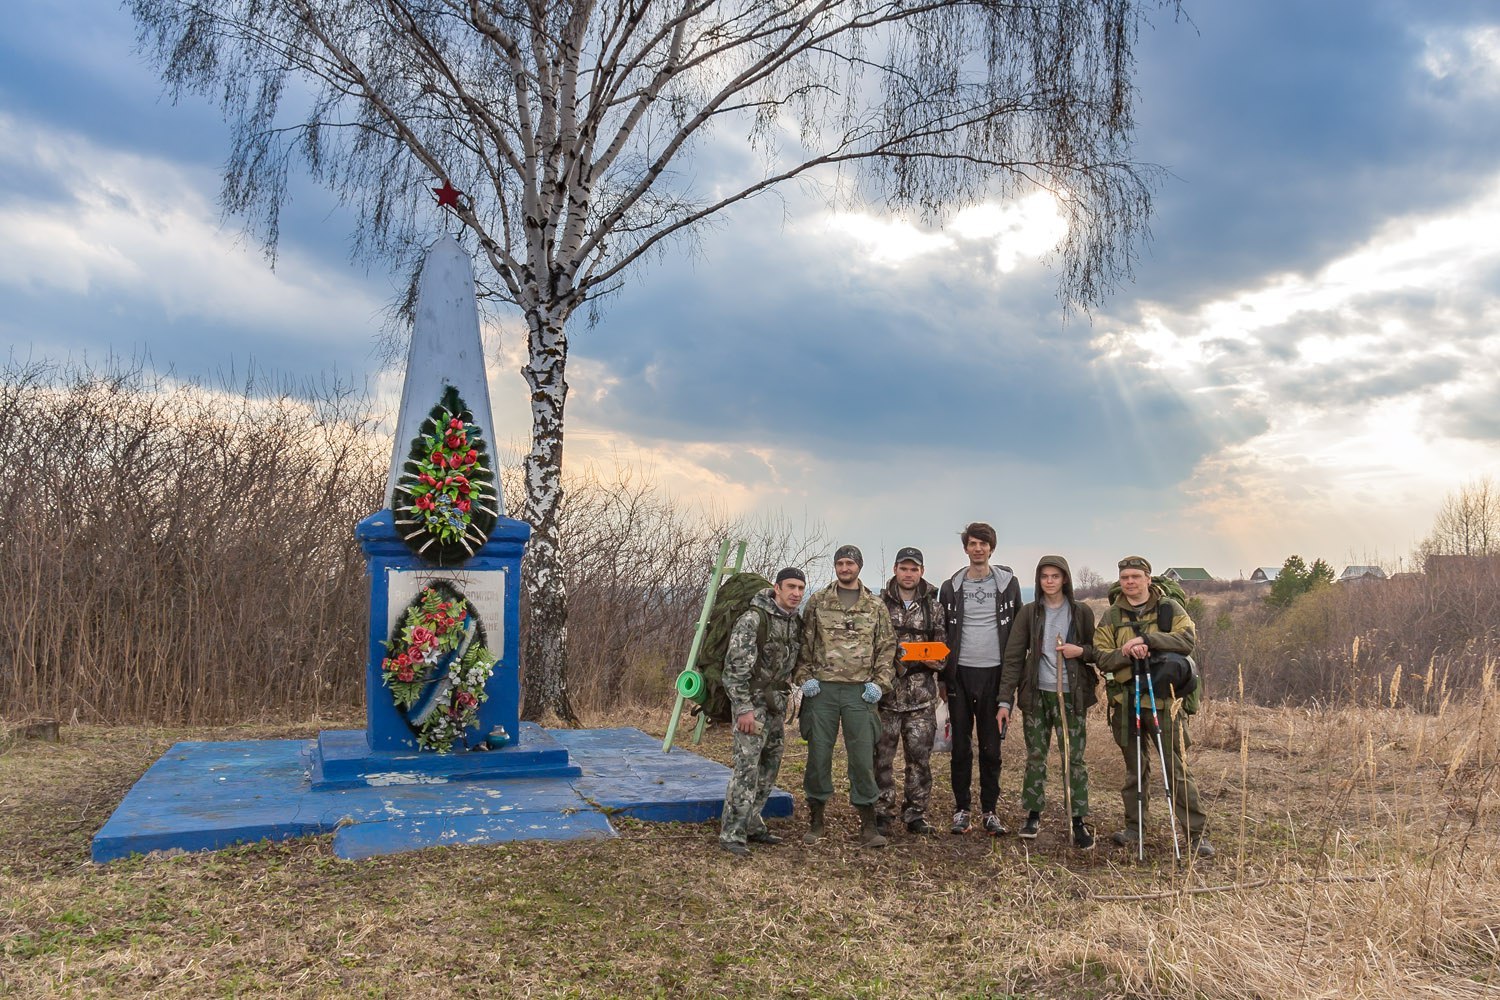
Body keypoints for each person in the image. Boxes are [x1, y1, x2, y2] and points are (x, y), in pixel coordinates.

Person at [1093, 555, 1214, 858]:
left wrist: (1149, 640)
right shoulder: (1112, 615)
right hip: (1127, 700)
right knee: (1135, 769)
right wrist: (1127, 650)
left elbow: (1187, 640)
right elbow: (1100, 655)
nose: (1130, 582)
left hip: (1164, 701)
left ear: (1149, 578)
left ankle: (1196, 835)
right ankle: (1135, 828)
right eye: (1125, 578)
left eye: (1136, 576)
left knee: (1176, 769)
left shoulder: (1169, 609)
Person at [796, 544, 897, 848]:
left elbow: (886, 648)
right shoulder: (817, 602)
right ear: (835, 567)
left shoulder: (875, 606)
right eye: (840, 563)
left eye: (849, 563)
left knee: (863, 759)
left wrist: (880, 683)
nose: (844, 568)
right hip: (823, 691)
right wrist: (805, 679)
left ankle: (868, 825)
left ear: (859, 567)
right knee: (818, 757)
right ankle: (816, 821)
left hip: (860, 693)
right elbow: (804, 645)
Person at [997, 555, 1098, 849]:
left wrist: (1077, 650)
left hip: (1071, 695)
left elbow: (1094, 650)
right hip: (1037, 694)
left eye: (1055, 576)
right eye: (1044, 577)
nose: (1050, 581)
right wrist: (1005, 699)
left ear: (1065, 578)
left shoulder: (1081, 612)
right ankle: (1033, 814)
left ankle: (1077, 819)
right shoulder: (1030, 613)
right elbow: (1014, 657)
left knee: (1074, 758)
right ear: (1039, 581)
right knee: (1036, 756)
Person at [939, 522, 1022, 836]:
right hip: (959, 675)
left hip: (994, 674)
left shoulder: (1008, 585)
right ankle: (962, 810)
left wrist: (1009, 688)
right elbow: (943, 632)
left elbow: (1017, 633)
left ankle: (990, 811)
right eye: (972, 543)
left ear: (991, 547)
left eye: (983, 543)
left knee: (991, 749)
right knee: (960, 747)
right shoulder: (950, 587)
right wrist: (943, 680)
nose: (977, 548)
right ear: (965, 548)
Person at [718, 567, 807, 857]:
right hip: (752, 704)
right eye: (791, 587)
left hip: (776, 705)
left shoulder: (795, 623)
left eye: (800, 588)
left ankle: (754, 824)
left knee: (770, 767)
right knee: (747, 768)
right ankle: (732, 833)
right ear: (777, 587)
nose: (796, 593)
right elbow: (734, 670)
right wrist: (743, 709)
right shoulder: (754, 619)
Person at [875, 547, 945, 836]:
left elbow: (942, 650)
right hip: (886, 697)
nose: (908, 574)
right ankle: (881, 813)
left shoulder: (934, 607)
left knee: (919, 760)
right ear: (894, 570)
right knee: (880, 759)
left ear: (922, 572)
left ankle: (915, 814)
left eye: (914, 569)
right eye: (904, 568)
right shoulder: (878, 605)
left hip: (921, 698)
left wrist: (934, 660)